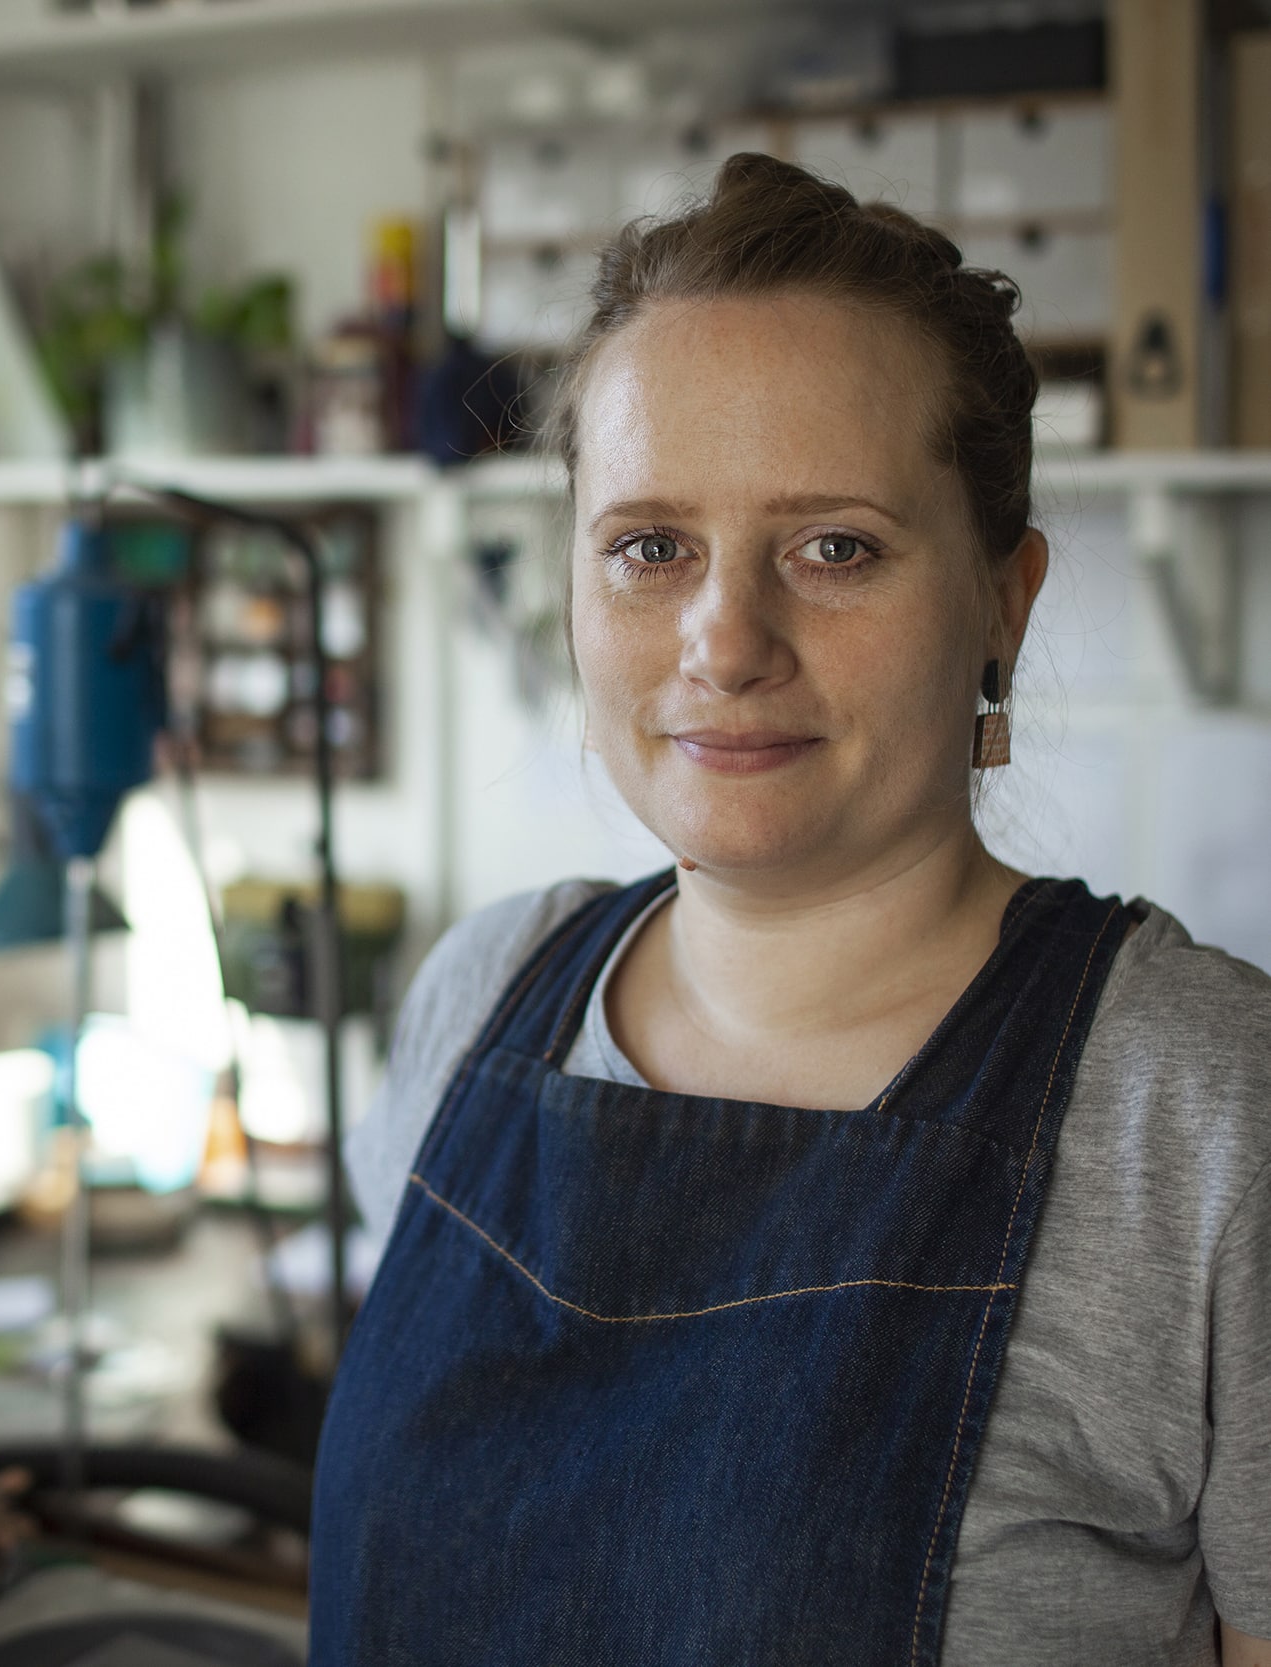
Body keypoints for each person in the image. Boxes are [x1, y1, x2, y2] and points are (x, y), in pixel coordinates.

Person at [307, 153, 1271, 1667]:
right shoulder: (485, 992)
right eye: (650, 547)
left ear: (1003, 602)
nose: (726, 640)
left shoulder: (1207, 1116)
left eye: (836, 548)